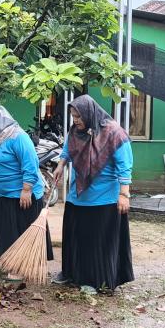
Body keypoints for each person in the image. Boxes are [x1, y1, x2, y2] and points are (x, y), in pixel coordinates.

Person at [51, 95, 134, 294]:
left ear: (89, 113)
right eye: (73, 116)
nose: (75, 120)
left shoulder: (113, 133)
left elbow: (125, 165)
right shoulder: (75, 131)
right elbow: (67, 149)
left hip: (103, 199)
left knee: (96, 242)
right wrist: (61, 165)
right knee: (75, 238)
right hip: (77, 196)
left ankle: (97, 281)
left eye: (78, 116)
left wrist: (124, 194)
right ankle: (71, 273)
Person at [0, 105, 53, 280]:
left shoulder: (18, 137)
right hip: (3, 195)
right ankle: (9, 263)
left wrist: (26, 189)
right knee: (6, 232)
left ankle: (20, 268)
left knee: (20, 231)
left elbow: (31, 164)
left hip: (23, 196)